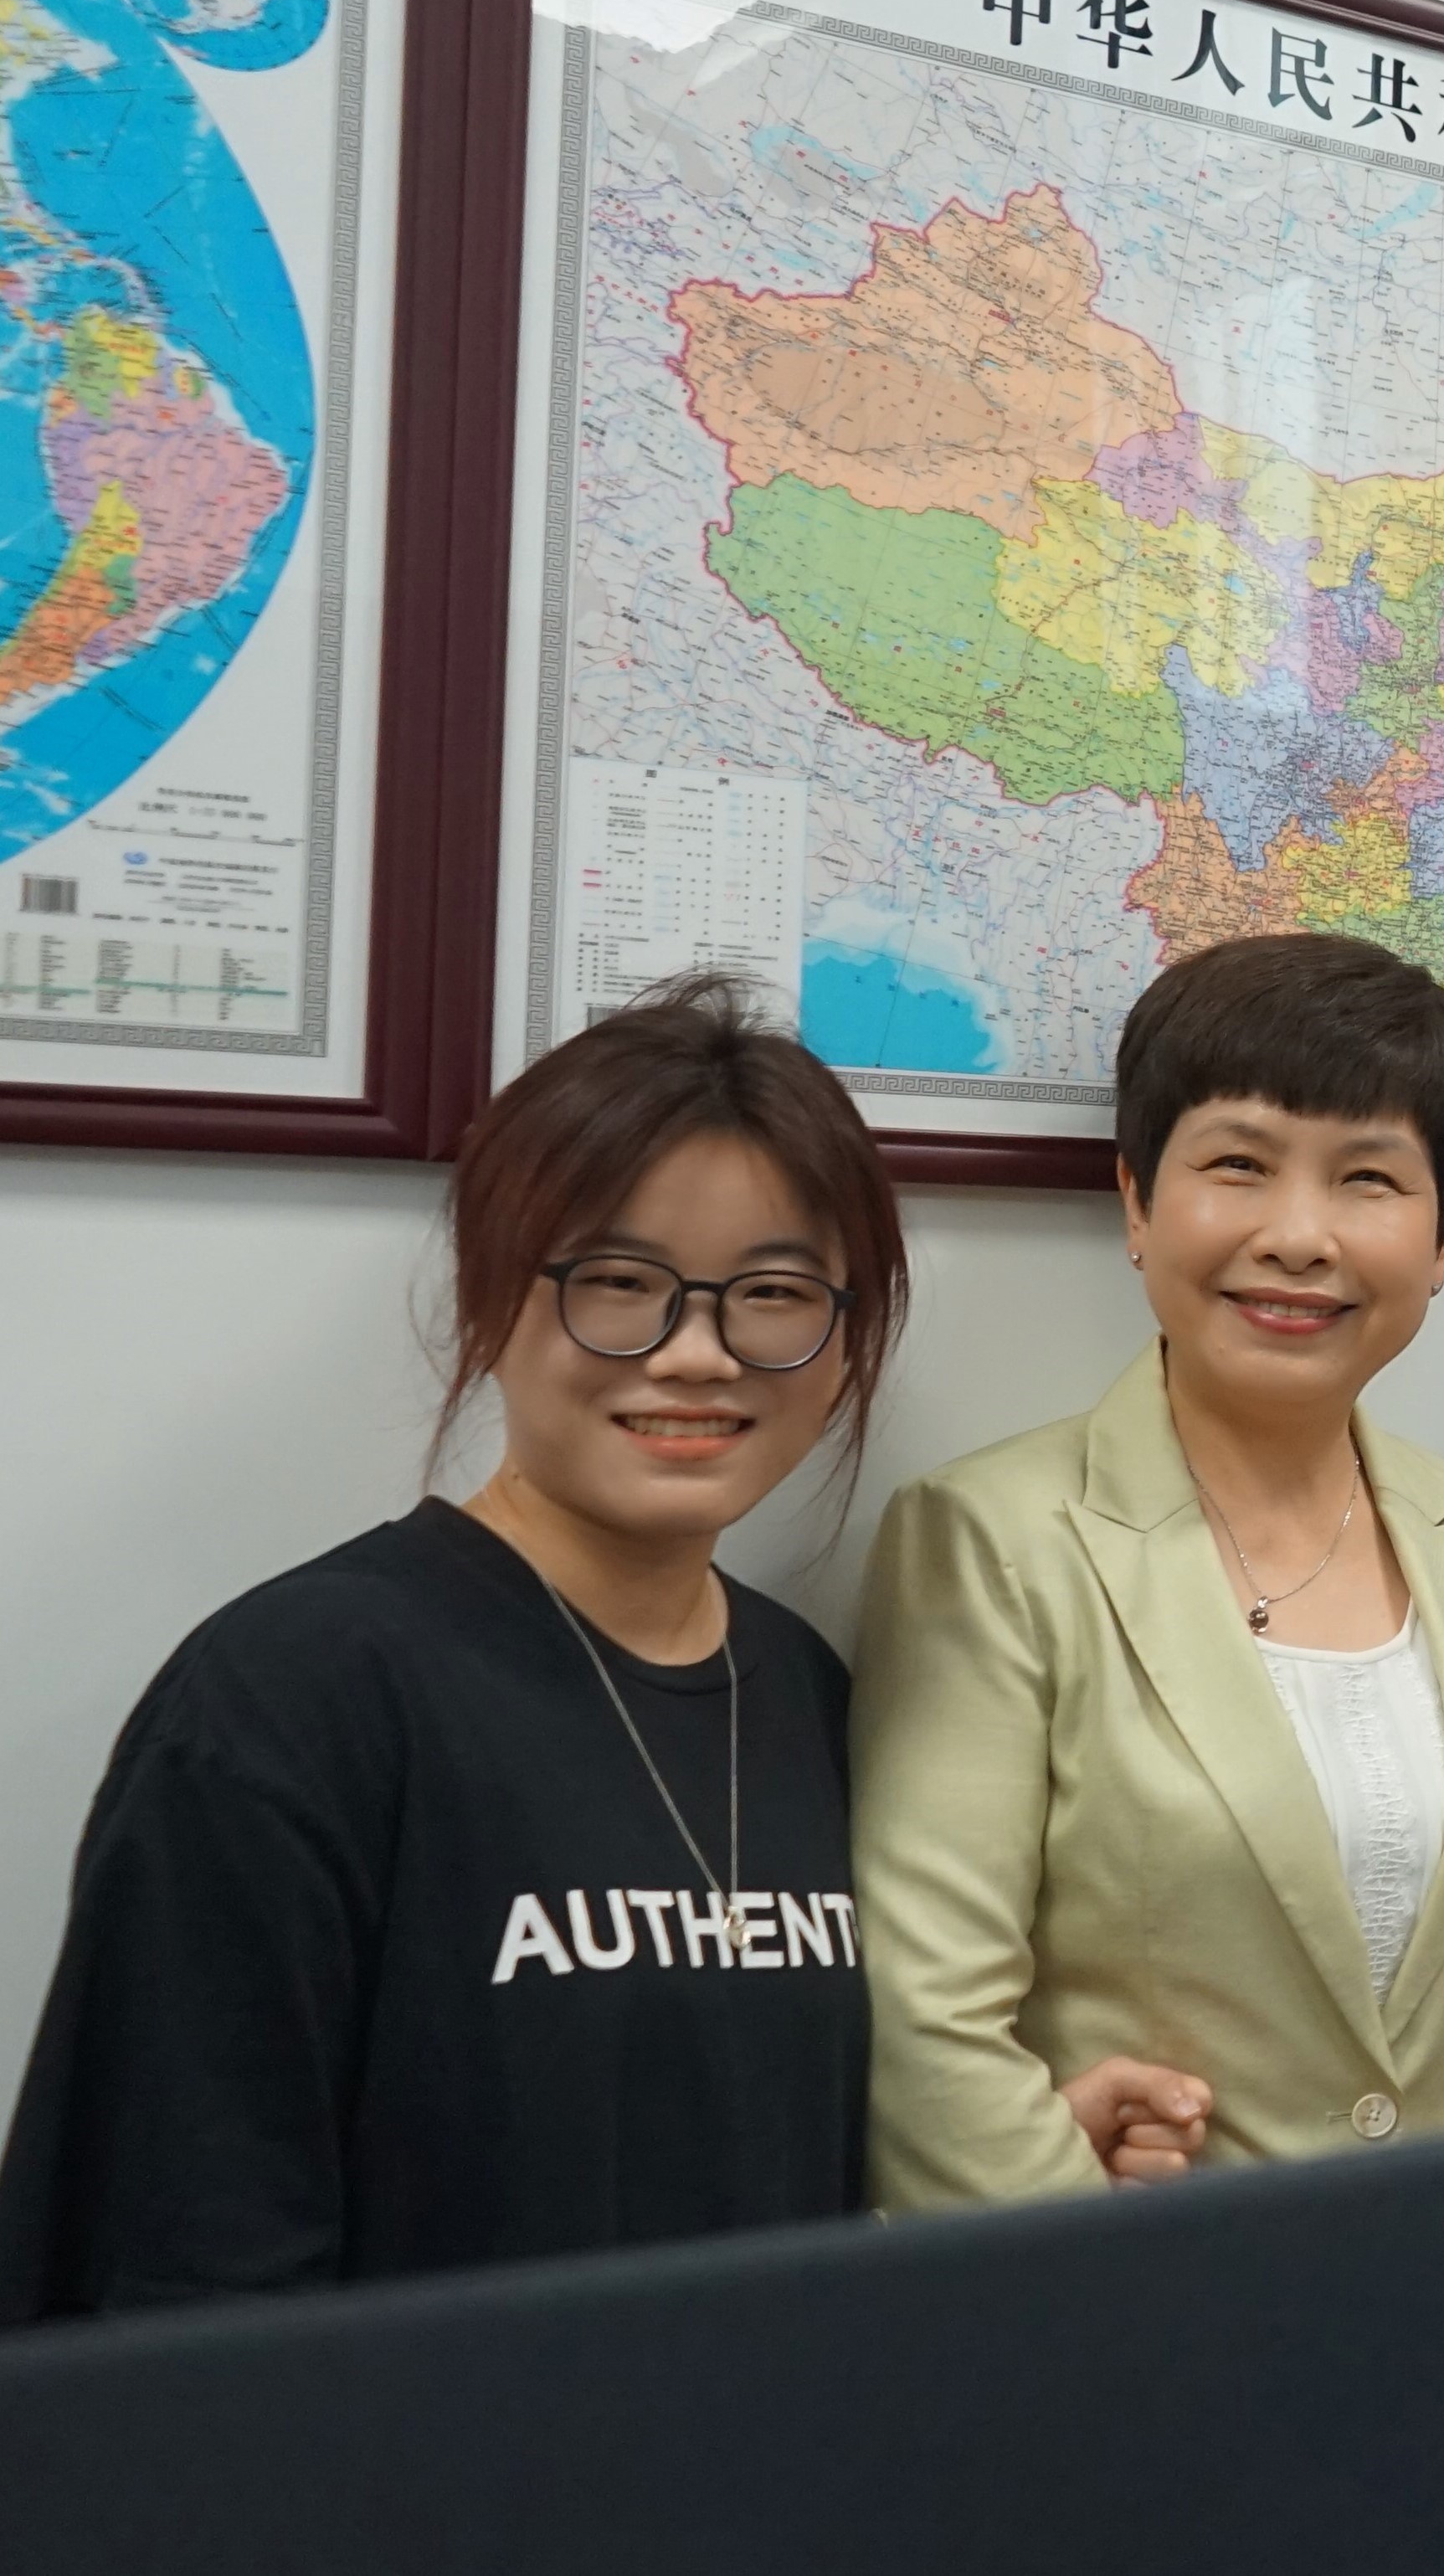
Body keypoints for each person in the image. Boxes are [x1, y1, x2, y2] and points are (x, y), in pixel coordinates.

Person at [0, 974, 906, 2313]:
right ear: (492, 1299)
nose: (697, 1352)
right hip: (400, 2457)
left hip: (764, 2447)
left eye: (774, 1292)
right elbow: (169, 2268)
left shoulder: (812, 1695)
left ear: (843, 1337)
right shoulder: (294, 1695)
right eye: (619, 1282)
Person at [856, 933, 1444, 2208]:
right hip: (1124, 2294)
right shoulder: (992, 1541)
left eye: (1369, 1179)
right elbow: (926, 2015)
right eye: (1238, 1165)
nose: (1300, 1236)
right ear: (1137, 1202)